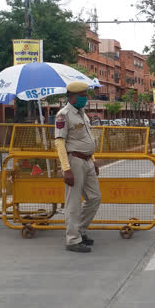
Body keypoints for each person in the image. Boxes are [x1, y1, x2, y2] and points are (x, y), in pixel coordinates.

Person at [54, 81, 101, 253]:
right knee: (73, 203)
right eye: (83, 96)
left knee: (95, 198)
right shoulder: (64, 115)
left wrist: (93, 159)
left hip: (87, 161)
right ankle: (73, 240)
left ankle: (79, 231)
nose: (86, 99)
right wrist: (66, 169)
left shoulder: (82, 114)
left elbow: (85, 138)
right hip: (74, 161)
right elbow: (59, 143)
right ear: (73, 97)